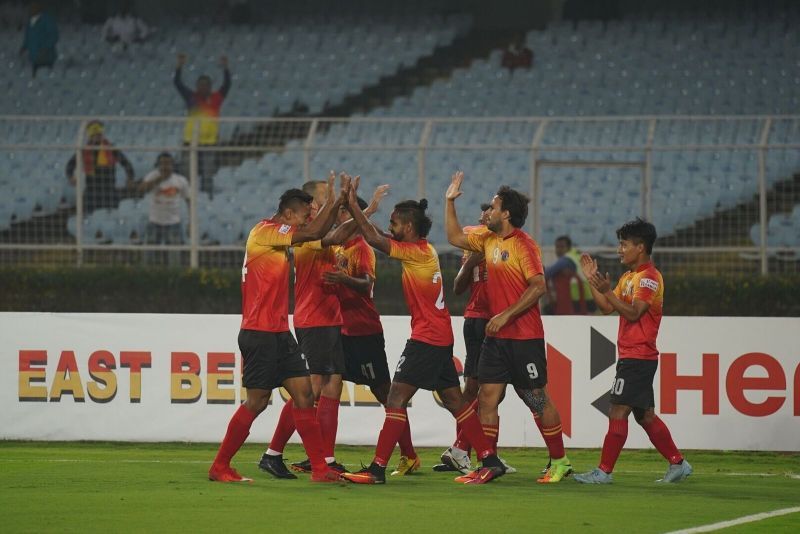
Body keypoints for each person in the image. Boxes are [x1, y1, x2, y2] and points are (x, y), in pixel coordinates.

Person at [340, 189, 506, 485]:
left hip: (427, 338)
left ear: (408, 227)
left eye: (394, 222)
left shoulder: (414, 252)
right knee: (456, 401)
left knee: (396, 397)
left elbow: (376, 240)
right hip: (439, 335)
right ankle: (490, 459)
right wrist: (362, 214)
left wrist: (354, 206)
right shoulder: (422, 249)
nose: (390, 227)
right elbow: (379, 235)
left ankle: (377, 469)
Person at [208, 172, 347, 483]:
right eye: (303, 214)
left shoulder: (280, 237)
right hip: (259, 333)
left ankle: (320, 471)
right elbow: (313, 230)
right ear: (288, 214)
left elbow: (317, 231)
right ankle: (219, 466)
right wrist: (335, 202)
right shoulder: (266, 232)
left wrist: (335, 205)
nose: (305, 220)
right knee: (257, 402)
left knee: (303, 395)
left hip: (280, 333)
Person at [445, 172, 573, 484]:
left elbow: (539, 286)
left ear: (506, 213)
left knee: (537, 398)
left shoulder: (524, 246)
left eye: (492, 206)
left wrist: (505, 315)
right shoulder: (487, 239)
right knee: (487, 397)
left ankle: (560, 460)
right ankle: (489, 462)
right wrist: (449, 202)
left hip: (523, 337)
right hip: (495, 337)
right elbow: (453, 237)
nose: (487, 211)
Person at [260, 178, 384, 478]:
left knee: (331, 387)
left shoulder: (319, 229)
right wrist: (368, 210)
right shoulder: (305, 235)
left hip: (330, 320)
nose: (333, 202)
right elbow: (337, 234)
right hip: (313, 321)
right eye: (327, 198)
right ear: (313, 204)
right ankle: (272, 453)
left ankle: (326, 458)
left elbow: (341, 234)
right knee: (311, 389)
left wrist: (358, 209)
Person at [574, 218, 692, 484]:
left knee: (617, 411)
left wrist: (609, 293)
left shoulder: (649, 278)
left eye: (624, 244)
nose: (619, 249)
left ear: (640, 247)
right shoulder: (629, 277)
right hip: (633, 355)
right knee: (644, 415)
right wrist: (593, 281)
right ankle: (678, 463)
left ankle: (604, 472)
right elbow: (606, 306)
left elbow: (635, 312)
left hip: (638, 356)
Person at [326, 191, 421, 477]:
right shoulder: (341, 247)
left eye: (343, 212)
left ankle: (410, 455)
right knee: (326, 389)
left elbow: (366, 285)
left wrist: (343, 279)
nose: (338, 217)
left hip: (363, 333)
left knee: (385, 395)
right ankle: (322, 456)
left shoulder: (362, 248)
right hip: (341, 330)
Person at [173, 53, 231, 197]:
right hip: (190, 141)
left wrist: (226, 68)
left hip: (209, 142)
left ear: (210, 87)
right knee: (187, 171)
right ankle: (186, 196)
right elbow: (177, 83)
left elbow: (227, 84)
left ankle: (207, 197)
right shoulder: (191, 98)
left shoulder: (216, 98)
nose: (203, 87)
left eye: (206, 85)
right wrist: (179, 66)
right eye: (200, 85)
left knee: (208, 172)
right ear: (197, 86)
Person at [66, 120, 135, 213]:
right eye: (94, 135)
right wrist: (70, 176)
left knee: (112, 215)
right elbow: (70, 164)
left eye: (99, 134)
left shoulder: (111, 149)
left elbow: (126, 163)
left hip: (109, 189)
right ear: (90, 137)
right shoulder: (84, 151)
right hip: (92, 190)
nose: (97, 137)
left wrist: (130, 178)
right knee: (89, 216)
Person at [137, 153, 189, 266]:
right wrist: (159, 179)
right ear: (158, 165)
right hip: (155, 221)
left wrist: (191, 221)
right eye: (163, 164)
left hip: (174, 222)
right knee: (148, 257)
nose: (165, 167)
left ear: (173, 165)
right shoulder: (152, 176)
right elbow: (141, 189)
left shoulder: (180, 180)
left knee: (174, 259)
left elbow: (189, 200)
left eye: (168, 164)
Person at [544, 235, 595, 315]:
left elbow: (547, 273)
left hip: (578, 299)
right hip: (589, 296)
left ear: (568, 248)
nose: (559, 250)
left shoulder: (567, 259)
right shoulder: (576, 256)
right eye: (557, 247)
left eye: (562, 247)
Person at [19, 1, 58, 77]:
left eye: (34, 7)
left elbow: (54, 36)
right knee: (35, 75)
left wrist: (45, 47)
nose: (31, 9)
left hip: (46, 56)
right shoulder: (30, 22)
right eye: (31, 7)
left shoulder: (47, 20)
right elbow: (28, 37)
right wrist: (24, 47)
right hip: (34, 56)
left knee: (47, 75)